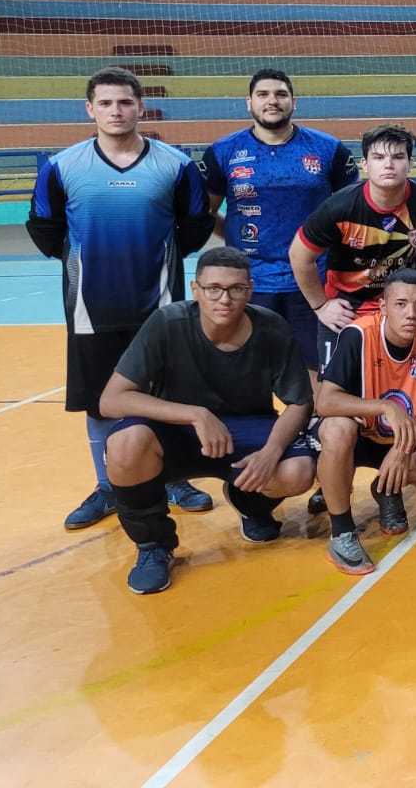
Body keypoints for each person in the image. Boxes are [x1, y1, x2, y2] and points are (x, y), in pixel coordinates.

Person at [28, 65, 216, 531]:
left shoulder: (175, 165)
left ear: (141, 107)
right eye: (106, 103)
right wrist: (87, 262)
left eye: (125, 102)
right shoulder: (63, 166)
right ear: (90, 109)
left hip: (159, 307)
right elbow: (44, 228)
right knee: (97, 400)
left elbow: (193, 226)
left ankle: (174, 477)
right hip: (91, 307)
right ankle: (108, 486)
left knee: (168, 393)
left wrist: (158, 261)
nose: (116, 111)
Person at [97, 247, 316, 595]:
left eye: (235, 289)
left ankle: (250, 503)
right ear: (195, 289)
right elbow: (111, 399)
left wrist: (272, 450)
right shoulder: (167, 324)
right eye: (213, 288)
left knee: (298, 471)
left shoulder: (272, 328)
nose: (224, 299)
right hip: (177, 432)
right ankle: (154, 546)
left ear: (250, 289)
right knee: (125, 445)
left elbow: (299, 402)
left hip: (247, 427)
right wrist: (195, 414)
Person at [202, 68, 357, 376]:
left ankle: (311, 424)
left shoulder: (328, 149)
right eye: (263, 95)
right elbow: (206, 213)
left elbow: (353, 213)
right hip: (250, 281)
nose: (272, 101)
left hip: (315, 280)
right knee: (247, 370)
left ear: (293, 102)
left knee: (316, 372)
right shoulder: (223, 152)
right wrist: (235, 241)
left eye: (280, 94)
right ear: (249, 103)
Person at [312, 270, 416, 575]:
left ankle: (386, 489)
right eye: (401, 304)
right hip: (357, 438)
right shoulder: (358, 335)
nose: (411, 313)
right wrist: (385, 407)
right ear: (384, 307)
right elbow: (325, 402)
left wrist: (403, 449)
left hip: (399, 441)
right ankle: (342, 532)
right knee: (338, 429)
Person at [289, 122, 416, 372]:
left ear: (410, 163)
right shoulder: (339, 207)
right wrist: (321, 306)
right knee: (335, 393)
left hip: (404, 303)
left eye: (398, 156)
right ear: (364, 164)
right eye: (378, 157)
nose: (388, 164)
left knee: (414, 383)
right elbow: (299, 255)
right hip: (347, 306)